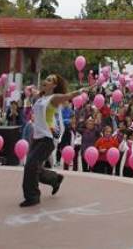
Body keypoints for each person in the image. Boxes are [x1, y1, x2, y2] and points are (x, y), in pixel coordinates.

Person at [19, 74, 85, 208]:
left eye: (49, 80)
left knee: (30, 165)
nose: (45, 81)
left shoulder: (54, 98)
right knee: (34, 167)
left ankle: (32, 197)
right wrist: (30, 91)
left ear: (54, 85)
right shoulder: (41, 97)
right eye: (46, 79)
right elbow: (34, 93)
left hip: (48, 138)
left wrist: (79, 92)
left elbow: (67, 96)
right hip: (37, 137)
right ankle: (55, 179)